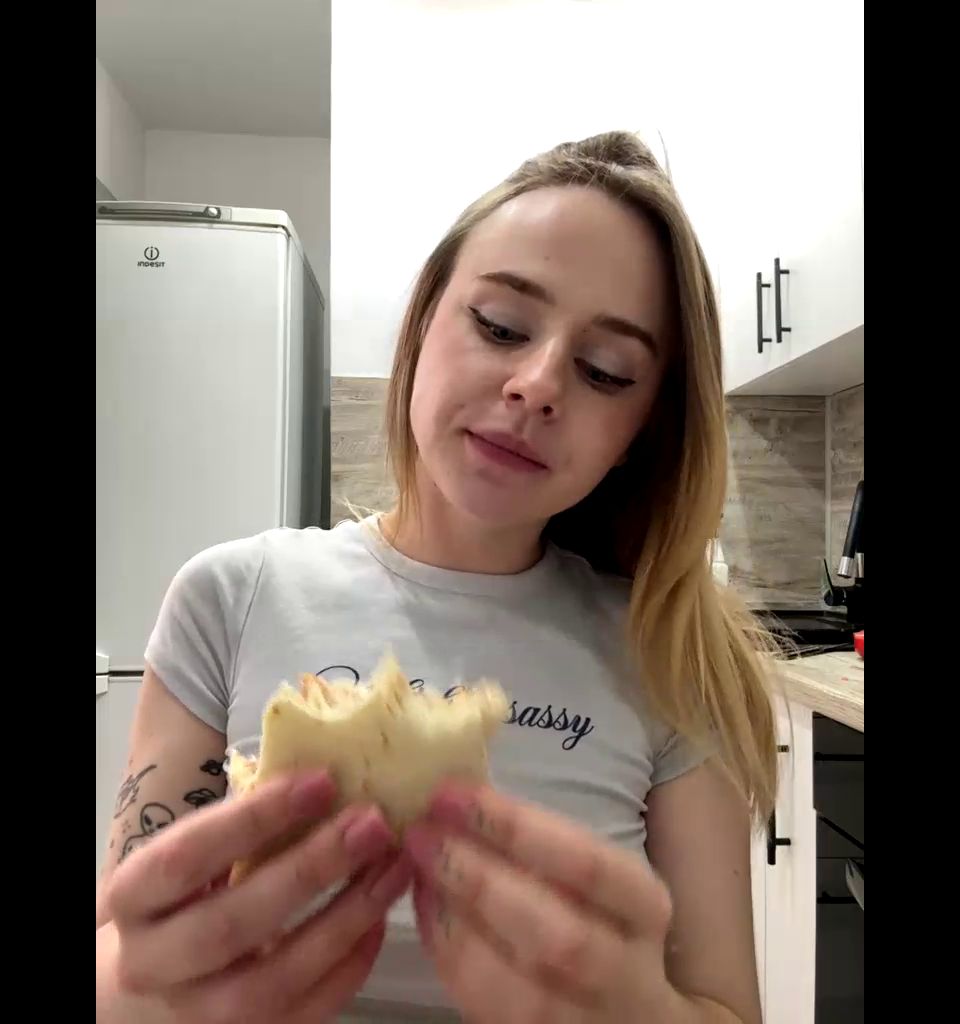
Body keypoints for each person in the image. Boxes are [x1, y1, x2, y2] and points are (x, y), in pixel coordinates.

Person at [96, 130, 777, 1024]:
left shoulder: (671, 654)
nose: (538, 384)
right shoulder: (231, 598)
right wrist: (134, 993)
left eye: (606, 372)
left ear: (638, 434)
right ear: (421, 326)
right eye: (500, 326)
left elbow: (726, 1008)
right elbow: (121, 943)